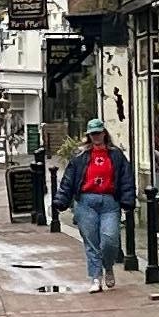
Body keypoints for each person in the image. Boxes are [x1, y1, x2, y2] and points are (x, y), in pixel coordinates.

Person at [57, 120, 129, 291]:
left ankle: (108, 266)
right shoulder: (80, 157)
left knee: (110, 240)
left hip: (110, 202)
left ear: (104, 133)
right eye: (93, 134)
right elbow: (69, 180)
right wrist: (61, 200)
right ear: (89, 136)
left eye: (98, 133)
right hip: (86, 202)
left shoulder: (116, 155)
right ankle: (96, 278)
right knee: (92, 243)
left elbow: (126, 178)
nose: (96, 137)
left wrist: (128, 199)